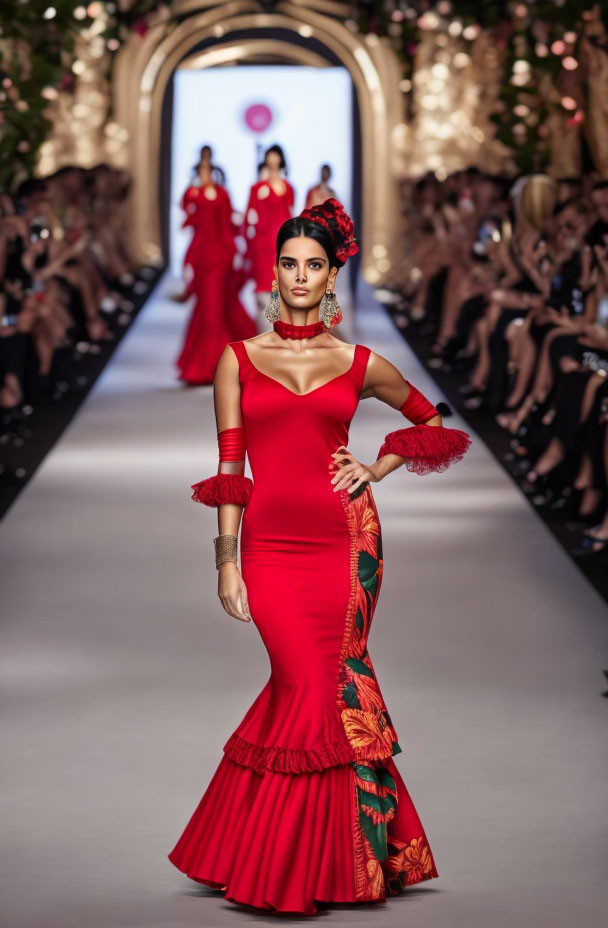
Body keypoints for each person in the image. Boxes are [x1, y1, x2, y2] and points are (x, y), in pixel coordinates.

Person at [168, 198, 472, 915]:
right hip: (270, 546)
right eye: (289, 264)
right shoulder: (237, 359)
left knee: (320, 685)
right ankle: (333, 852)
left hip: (347, 542)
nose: (300, 276)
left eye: (314, 265)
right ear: (273, 271)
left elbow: (430, 420)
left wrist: (375, 468)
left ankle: (301, 863)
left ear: (332, 275)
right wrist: (225, 559)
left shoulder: (359, 362)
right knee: (301, 683)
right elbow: (231, 464)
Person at [175, 158, 256, 385]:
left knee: (216, 309)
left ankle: (218, 365)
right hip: (202, 256)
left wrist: (235, 254)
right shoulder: (193, 194)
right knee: (208, 308)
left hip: (220, 256)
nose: (204, 174)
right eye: (200, 170)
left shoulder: (221, 195)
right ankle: (208, 366)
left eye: (206, 170)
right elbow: (188, 214)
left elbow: (227, 224)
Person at [242, 144, 295, 329]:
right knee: (264, 289)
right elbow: (249, 217)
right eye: (270, 157)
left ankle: (279, 332)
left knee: (281, 289)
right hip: (263, 245)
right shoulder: (258, 188)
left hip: (282, 244)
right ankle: (263, 336)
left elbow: (290, 213)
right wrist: (249, 244)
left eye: (276, 157)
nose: (273, 161)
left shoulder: (288, 188)